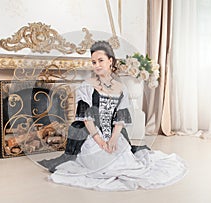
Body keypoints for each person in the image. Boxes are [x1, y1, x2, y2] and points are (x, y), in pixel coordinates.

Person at [38, 41, 187, 191]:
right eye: (94, 62)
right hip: (91, 134)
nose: (97, 65)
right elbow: (86, 118)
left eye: (101, 60)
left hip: (113, 134)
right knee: (100, 162)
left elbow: (120, 118)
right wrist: (100, 141)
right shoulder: (86, 85)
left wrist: (114, 139)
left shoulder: (120, 88)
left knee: (125, 161)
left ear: (110, 61)